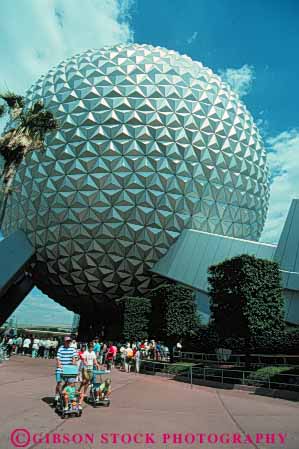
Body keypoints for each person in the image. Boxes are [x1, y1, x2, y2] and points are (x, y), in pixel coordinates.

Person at [55, 336, 77, 405]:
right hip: (61, 368)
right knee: (59, 383)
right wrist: (59, 364)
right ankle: (57, 396)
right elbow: (58, 358)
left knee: (70, 383)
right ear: (64, 342)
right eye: (67, 341)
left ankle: (64, 394)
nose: (68, 342)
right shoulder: (61, 348)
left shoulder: (72, 349)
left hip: (69, 369)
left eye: (69, 341)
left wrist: (73, 363)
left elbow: (74, 358)